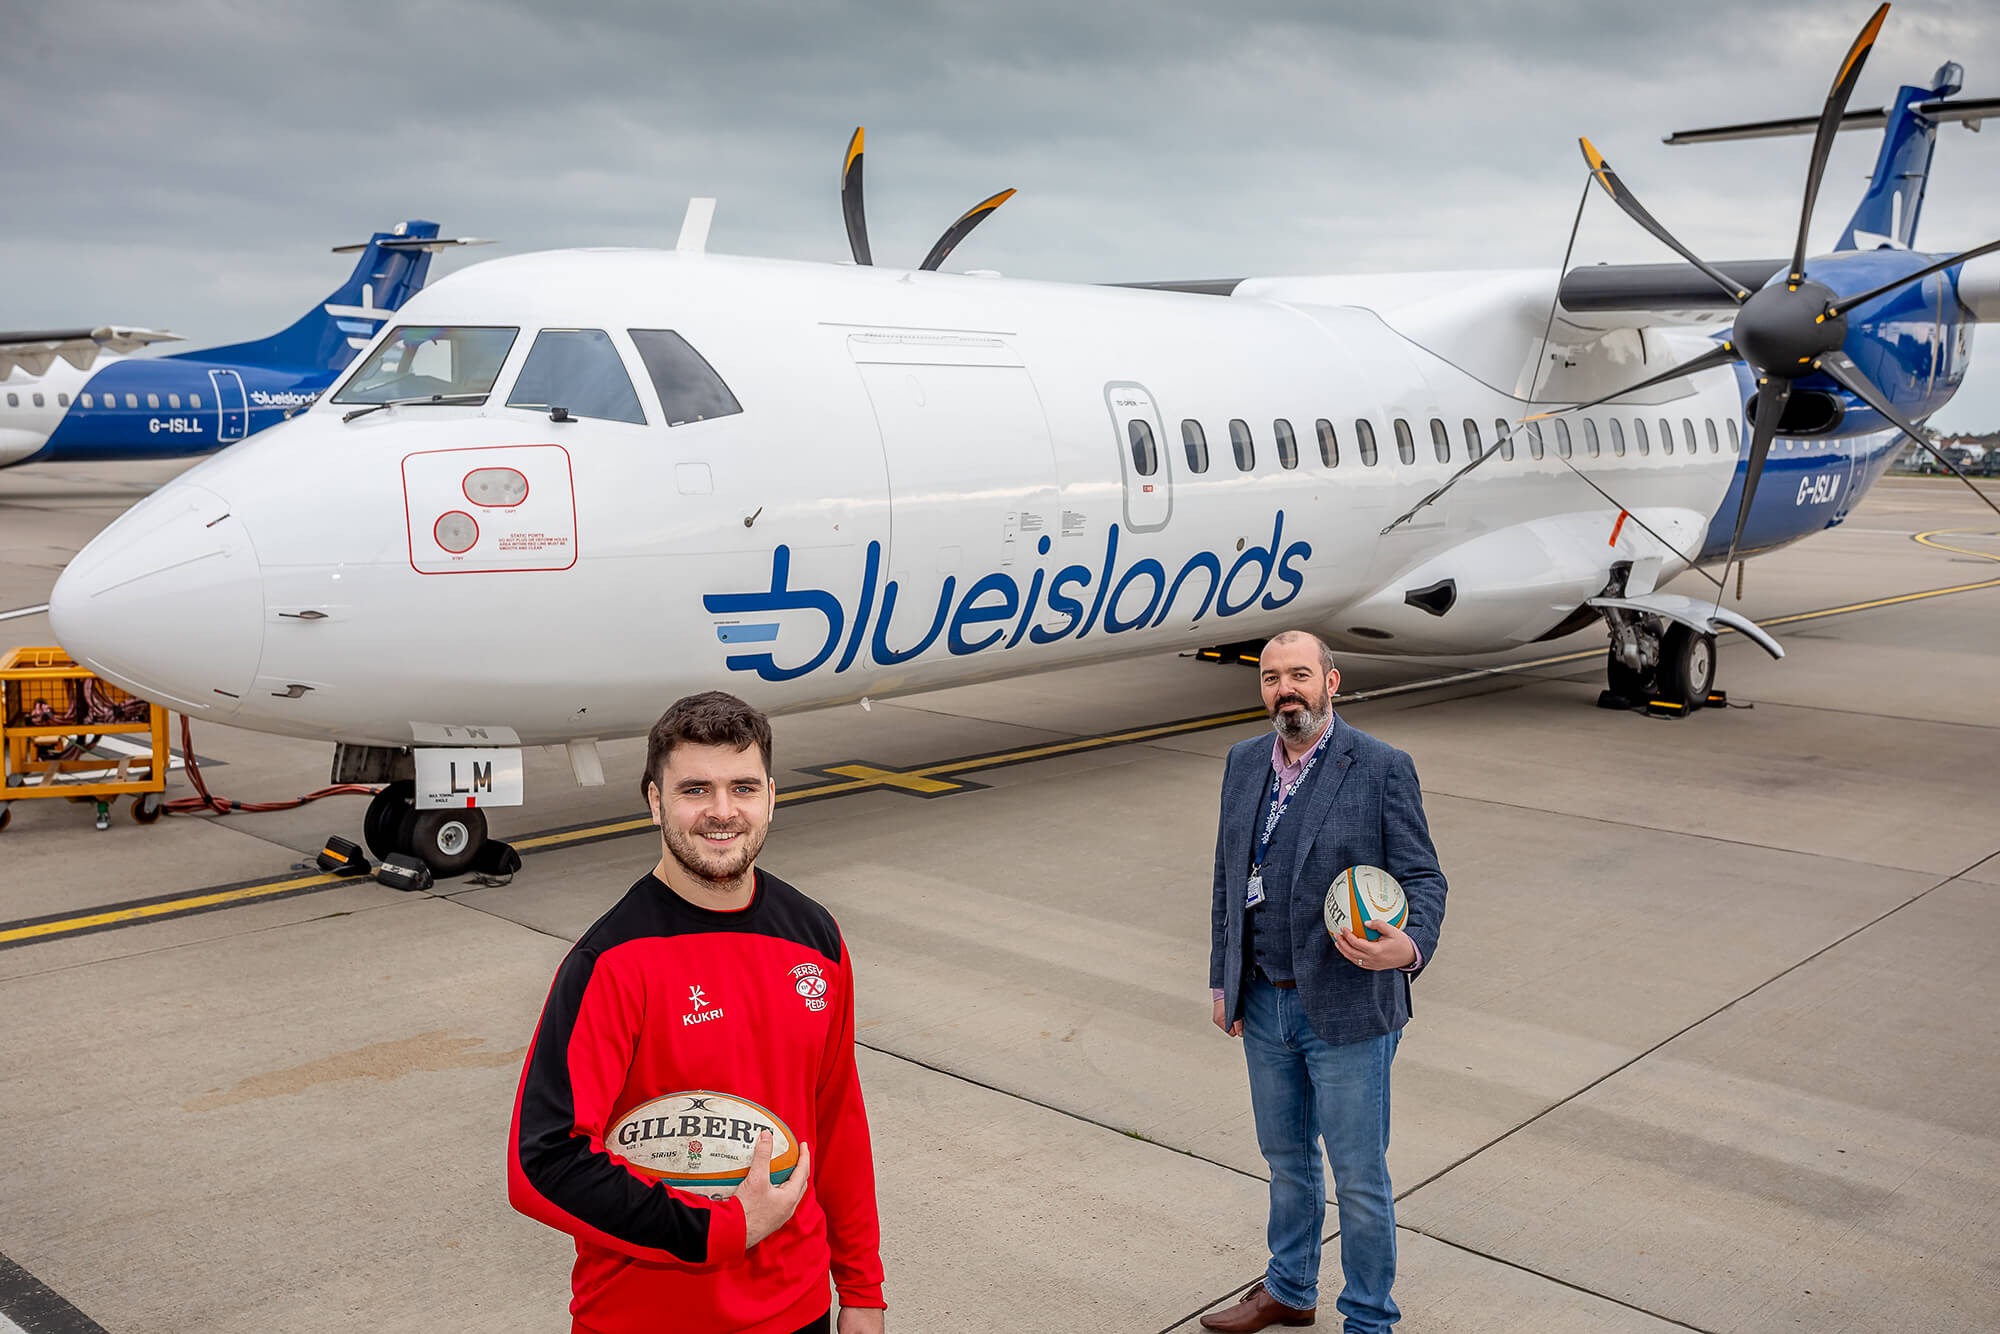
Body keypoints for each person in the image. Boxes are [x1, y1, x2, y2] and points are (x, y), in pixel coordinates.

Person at [508, 691, 887, 1334]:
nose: (721, 812)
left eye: (742, 787)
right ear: (656, 801)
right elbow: (540, 1164)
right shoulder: (611, 961)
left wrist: (861, 1291)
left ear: (771, 795)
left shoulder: (814, 938)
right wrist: (716, 1229)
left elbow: (836, 1119)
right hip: (643, 1320)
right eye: (694, 790)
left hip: (798, 1312)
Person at [1201, 631, 1446, 1333]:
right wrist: (1224, 981)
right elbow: (1227, 876)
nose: (1287, 690)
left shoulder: (1380, 767)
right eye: (1272, 678)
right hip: (1263, 998)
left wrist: (1411, 946)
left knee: (1360, 1180)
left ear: (1331, 682)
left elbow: (1424, 876)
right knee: (1285, 1162)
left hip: (1349, 1008)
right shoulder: (1244, 761)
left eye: (1300, 675)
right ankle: (1289, 1289)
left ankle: (1369, 1319)